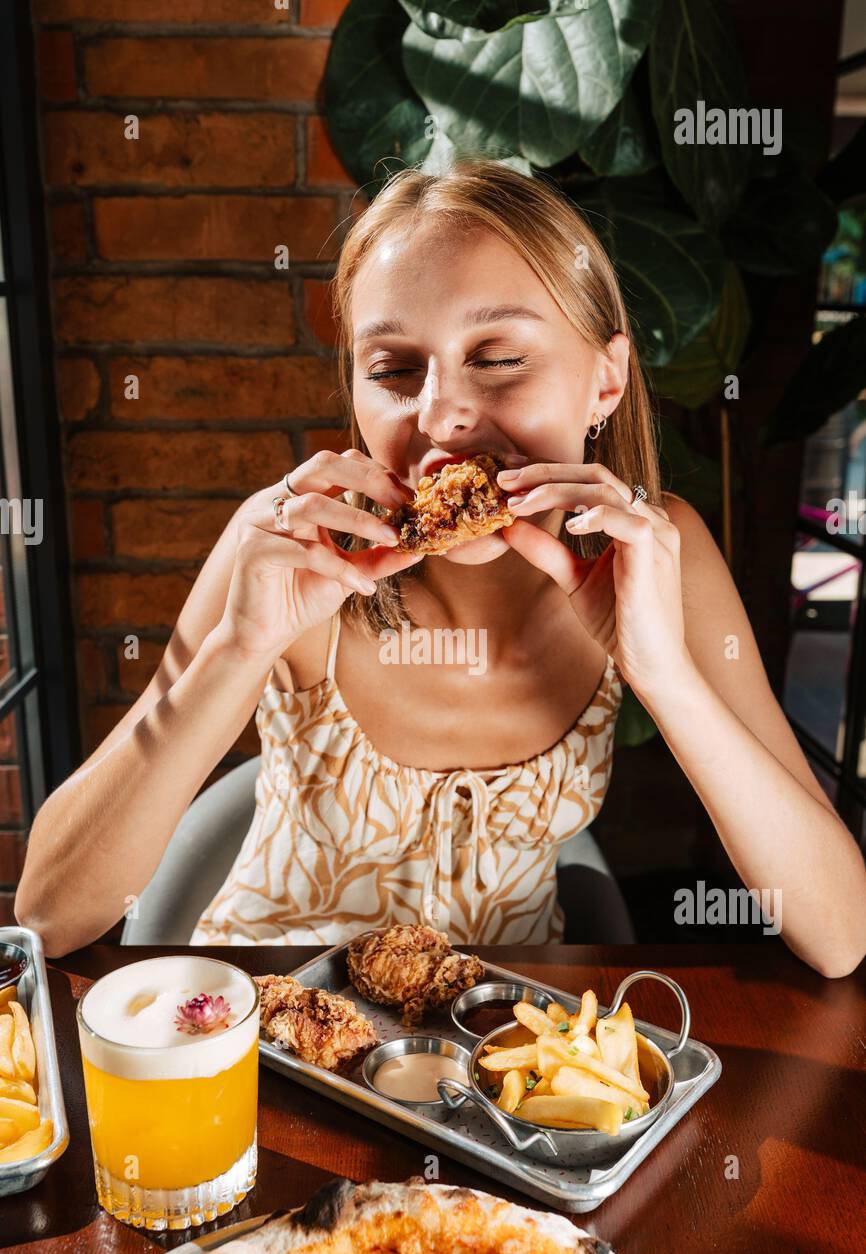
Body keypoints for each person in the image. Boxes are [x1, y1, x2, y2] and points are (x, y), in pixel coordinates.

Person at [16, 161, 866, 973]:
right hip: (270, 1042)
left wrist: (665, 674)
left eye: (498, 359)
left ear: (605, 383)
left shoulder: (656, 554)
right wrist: (237, 652)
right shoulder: (287, 548)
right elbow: (51, 914)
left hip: (499, 1066)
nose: (442, 415)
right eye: (393, 368)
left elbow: (840, 935)